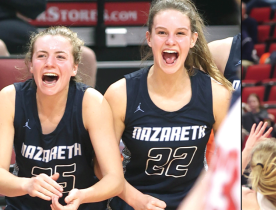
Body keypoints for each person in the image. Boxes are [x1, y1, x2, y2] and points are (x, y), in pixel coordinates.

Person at [103, 0, 232, 209]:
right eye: (162, 32)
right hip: (133, 202)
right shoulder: (120, 94)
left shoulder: (217, 95)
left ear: (193, 40)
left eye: (180, 33)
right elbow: (102, 166)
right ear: (149, 38)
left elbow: (228, 163)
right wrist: (137, 200)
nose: (170, 41)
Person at [0, 26, 124, 209]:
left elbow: (115, 180)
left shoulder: (92, 103)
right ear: (31, 65)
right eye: (41, 55)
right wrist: (26, 185)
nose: (50, 63)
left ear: (74, 67)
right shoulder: (9, 98)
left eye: (60, 56)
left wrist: (83, 196)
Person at [0, 0, 98, 87]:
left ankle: (80, 104)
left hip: (19, 28)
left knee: (85, 55)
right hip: (11, 32)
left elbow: (37, 5)